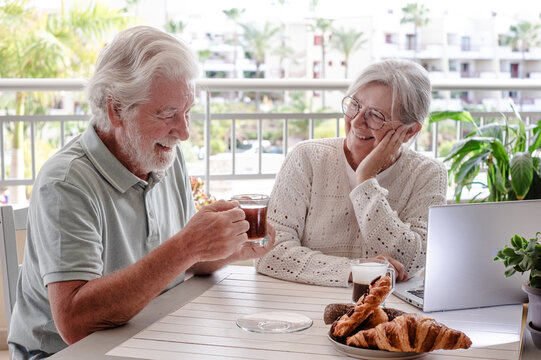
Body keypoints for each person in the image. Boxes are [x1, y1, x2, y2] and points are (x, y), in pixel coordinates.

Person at [8, 26, 274, 359]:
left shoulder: (163, 156)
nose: (185, 132)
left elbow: (180, 266)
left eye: (187, 112)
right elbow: (76, 324)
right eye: (167, 115)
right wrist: (186, 247)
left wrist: (228, 247)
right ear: (115, 109)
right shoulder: (66, 182)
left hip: (153, 334)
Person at [255, 59, 447, 287]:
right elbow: (269, 252)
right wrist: (354, 270)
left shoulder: (428, 174)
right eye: (355, 104)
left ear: (409, 131)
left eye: (376, 115)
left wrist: (366, 179)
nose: (356, 121)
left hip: (388, 311)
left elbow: (409, 262)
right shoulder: (307, 157)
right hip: (303, 305)